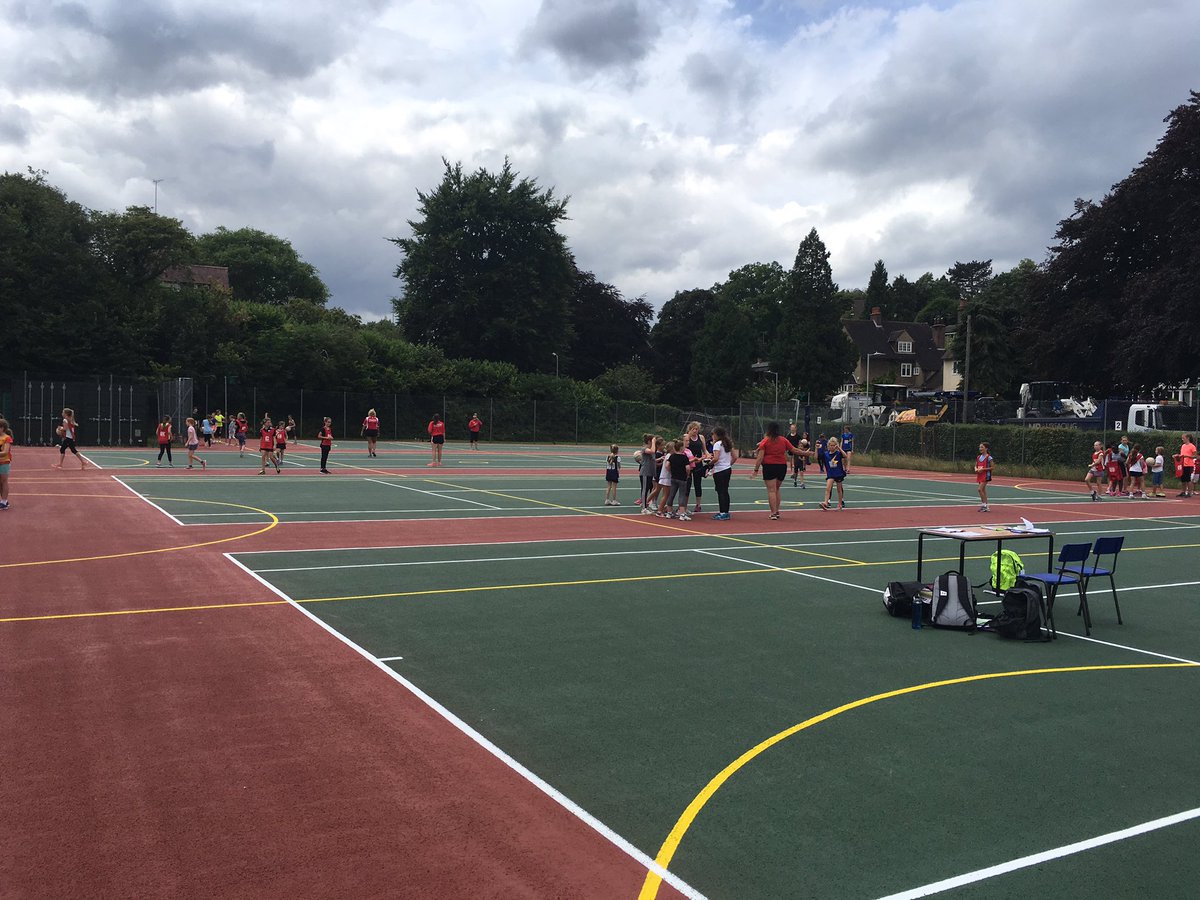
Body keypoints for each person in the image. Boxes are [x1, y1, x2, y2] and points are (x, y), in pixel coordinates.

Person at [750, 421, 803, 520]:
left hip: (769, 466)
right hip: (781, 466)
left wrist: (756, 470)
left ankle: (773, 512)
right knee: (777, 489)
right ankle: (777, 511)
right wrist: (805, 453)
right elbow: (794, 450)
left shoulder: (765, 441)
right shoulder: (783, 440)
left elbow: (760, 457)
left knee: (771, 490)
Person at [709, 426, 737, 520]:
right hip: (727, 469)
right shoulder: (727, 443)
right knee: (725, 491)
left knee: (720, 491)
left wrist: (709, 463)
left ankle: (722, 512)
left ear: (717, 435)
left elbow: (716, 458)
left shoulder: (717, 444)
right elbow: (735, 457)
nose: (712, 436)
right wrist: (728, 464)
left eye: (713, 434)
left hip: (719, 470)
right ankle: (726, 512)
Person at [684, 421, 710, 513]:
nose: (695, 431)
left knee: (697, 484)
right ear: (689, 429)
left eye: (696, 429)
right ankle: (684, 506)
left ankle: (698, 505)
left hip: (698, 462)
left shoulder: (701, 437)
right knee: (687, 484)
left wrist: (707, 455)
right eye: (693, 429)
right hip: (689, 462)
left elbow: (704, 450)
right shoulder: (686, 437)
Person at [819, 437, 848, 511]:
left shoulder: (838, 453)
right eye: (830, 445)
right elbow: (817, 457)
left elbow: (845, 456)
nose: (832, 447)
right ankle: (825, 502)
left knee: (839, 490)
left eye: (833, 445)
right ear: (828, 446)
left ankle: (840, 503)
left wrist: (839, 448)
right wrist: (816, 449)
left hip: (838, 473)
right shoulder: (826, 454)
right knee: (828, 488)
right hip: (831, 474)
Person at [1174, 433, 1197, 498]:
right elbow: (1182, 455)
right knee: (1183, 479)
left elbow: (1195, 456)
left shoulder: (1192, 446)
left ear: (1188, 438)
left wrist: (1187, 456)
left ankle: (1189, 493)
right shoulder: (1183, 446)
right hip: (1182, 464)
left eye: (1183, 438)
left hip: (1189, 464)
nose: (1182, 439)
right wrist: (1177, 456)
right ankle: (1183, 492)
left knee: (1188, 479)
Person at [974, 442, 993, 512]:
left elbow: (993, 467)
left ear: (986, 448)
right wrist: (976, 469)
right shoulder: (978, 457)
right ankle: (986, 506)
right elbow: (976, 465)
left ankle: (984, 505)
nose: (980, 448)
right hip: (980, 475)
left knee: (979, 489)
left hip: (986, 475)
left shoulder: (989, 457)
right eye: (980, 447)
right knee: (983, 490)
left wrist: (983, 469)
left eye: (982, 447)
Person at [0, 417, 12, 509]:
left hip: (4, 461)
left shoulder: (7, 438)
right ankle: (4, 500)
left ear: (2, 428)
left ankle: (4, 501)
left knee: (4, 481)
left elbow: (5, 452)